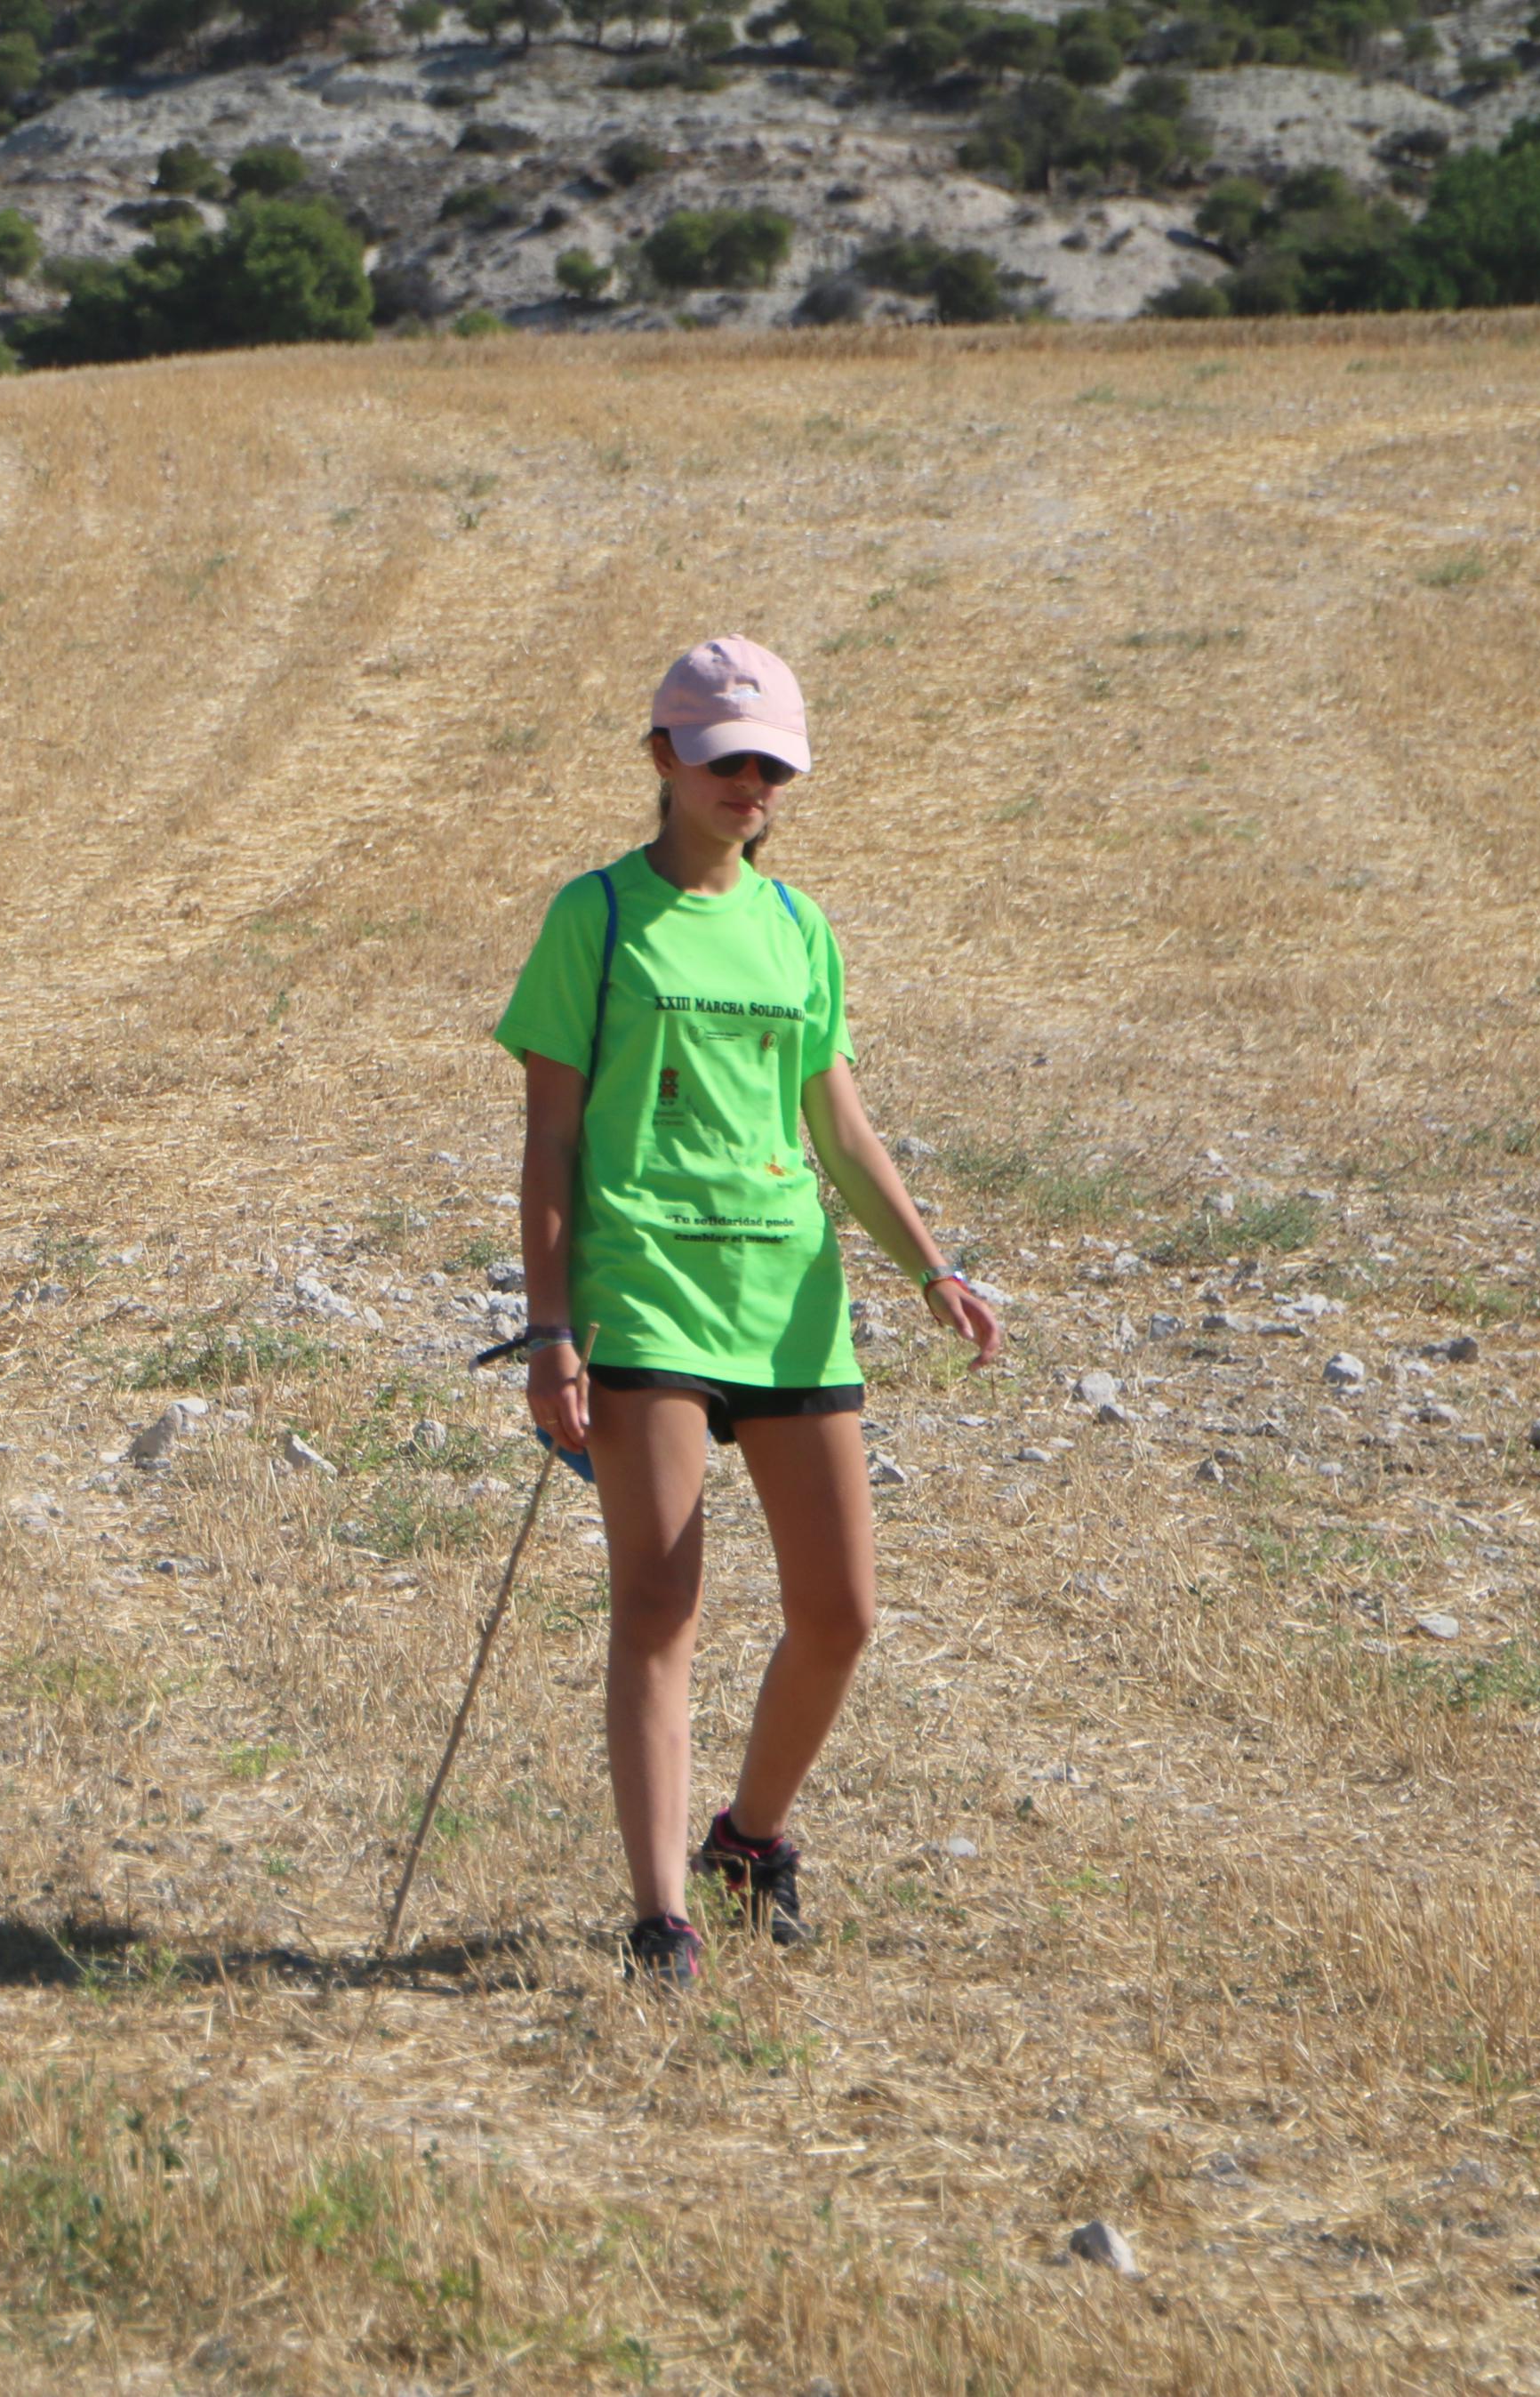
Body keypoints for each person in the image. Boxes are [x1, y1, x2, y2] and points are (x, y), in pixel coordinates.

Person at [492, 636, 1002, 1990]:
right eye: (723, 756)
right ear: (661, 757)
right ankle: (656, 1914)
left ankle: (746, 1840)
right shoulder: (590, 920)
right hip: (641, 1296)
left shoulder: (797, 928)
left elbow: (835, 1121)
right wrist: (548, 1329)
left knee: (839, 1611)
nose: (749, 780)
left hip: (787, 1306)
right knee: (658, 1599)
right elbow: (547, 1140)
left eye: (771, 759)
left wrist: (928, 1264)